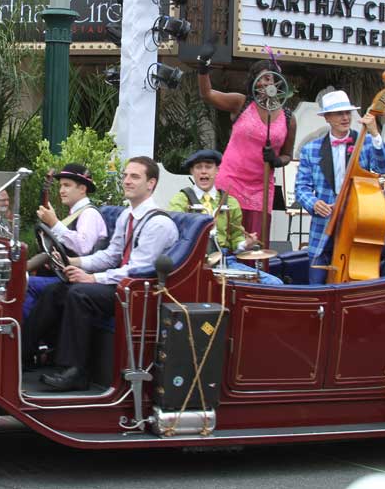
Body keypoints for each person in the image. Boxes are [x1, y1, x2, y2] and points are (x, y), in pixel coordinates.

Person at [23, 157, 178, 391]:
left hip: (139, 293)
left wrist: (92, 278)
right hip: (122, 284)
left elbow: (136, 270)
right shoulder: (128, 216)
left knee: (79, 294)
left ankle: (76, 371)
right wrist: (76, 263)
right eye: (125, 175)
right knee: (56, 290)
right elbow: (110, 256)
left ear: (151, 183)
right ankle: (23, 354)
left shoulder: (158, 223)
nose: (127, 181)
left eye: (135, 177)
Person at [198, 57, 297, 246]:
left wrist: (276, 160)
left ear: (276, 81)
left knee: (254, 244)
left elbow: (287, 155)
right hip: (230, 182)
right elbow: (207, 94)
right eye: (258, 78)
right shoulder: (241, 103)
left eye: (268, 78)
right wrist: (203, 67)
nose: (263, 83)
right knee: (222, 240)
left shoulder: (288, 117)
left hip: (262, 187)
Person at [295, 90, 385, 271]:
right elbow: (301, 188)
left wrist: (375, 134)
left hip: (357, 218)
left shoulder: (364, 141)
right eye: (339, 113)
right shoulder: (311, 149)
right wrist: (315, 203)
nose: (345, 117)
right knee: (317, 277)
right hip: (324, 223)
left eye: (347, 112)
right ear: (327, 117)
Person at [167, 149, 282, 285]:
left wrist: (246, 243)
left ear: (217, 170)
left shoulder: (230, 202)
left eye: (208, 167)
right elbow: (174, 232)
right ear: (192, 172)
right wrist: (201, 226)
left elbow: (235, 239)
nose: (204, 171)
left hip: (225, 260)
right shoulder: (181, 200)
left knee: (274, 283)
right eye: (198, 167)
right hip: (193, 260)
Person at [23, 164, 109, 318]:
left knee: (26, 285)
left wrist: (54, 223)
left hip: (81, 280)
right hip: (66, 274)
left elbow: (83, 247)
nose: (61, 190)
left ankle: (24, 335)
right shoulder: (74, 214)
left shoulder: (89, 214)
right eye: (61, 185)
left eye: (67, 185)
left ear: (82, 189)